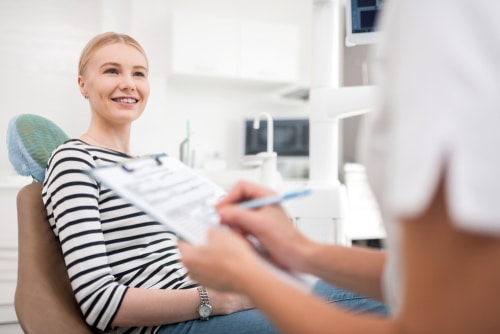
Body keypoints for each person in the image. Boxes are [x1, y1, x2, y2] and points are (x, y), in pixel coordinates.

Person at [178, 1, 500, 333]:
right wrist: (299, 249)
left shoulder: (442, 16)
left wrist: (249, 276)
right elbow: (435, 278)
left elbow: (444, 321)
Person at [42, 32, 386, 334]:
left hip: (218, 294)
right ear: (83, 84)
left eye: (139, 73)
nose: (129, 83)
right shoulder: (75, 159)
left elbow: (177, 253)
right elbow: (100, 303)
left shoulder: (149, 168)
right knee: (382, 307)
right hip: (173, 322)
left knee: (386, 298)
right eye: (111, 70)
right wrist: (216, 300)